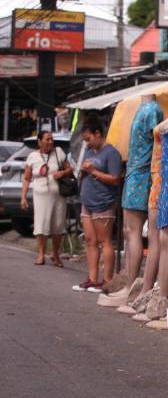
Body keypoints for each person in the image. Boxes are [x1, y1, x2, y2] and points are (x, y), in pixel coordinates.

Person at [72, 117, 122, 294]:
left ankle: (106, 280)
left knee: (104, 241)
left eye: (88, 139)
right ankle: (92, 279)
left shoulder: (111, 153)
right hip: (87, 200)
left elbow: (115, 179)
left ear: (98, 133)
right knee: (90, 240)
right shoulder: (89, 152)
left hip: (103, 202)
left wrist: (93, 171)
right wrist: (84, 171)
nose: (87, 143)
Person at [20, 131, 73, 266]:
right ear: (39, 142)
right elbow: (26, 178)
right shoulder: (32, 156)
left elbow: (70, 169)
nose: (51, 142)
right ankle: (41, 254)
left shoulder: (58, 152)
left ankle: (55, 254)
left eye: (52, 139)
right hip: (41, 197)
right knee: (41, 224)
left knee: (58, 225)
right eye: (47, 139)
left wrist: (62, 173)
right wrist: (23, 197)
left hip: (59, 196)